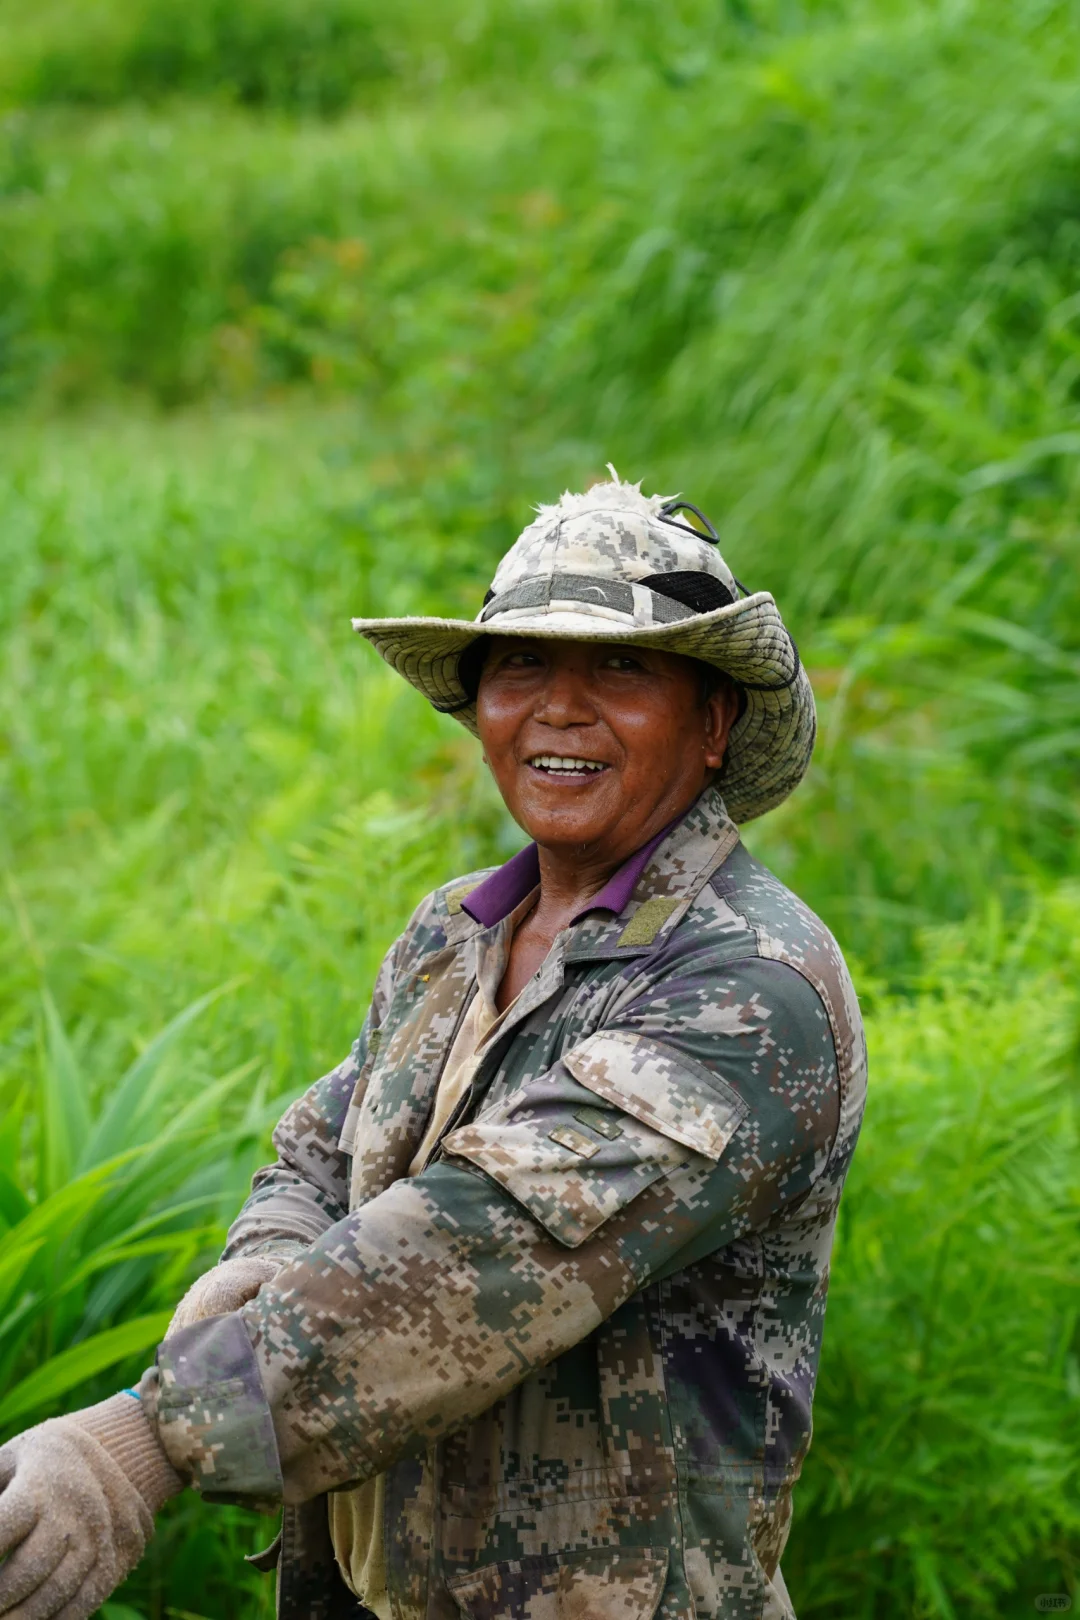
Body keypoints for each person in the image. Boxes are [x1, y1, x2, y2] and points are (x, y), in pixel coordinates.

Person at [0, 473, 867, 1620]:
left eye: (621, 670)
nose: (560, 709)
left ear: (712, 724)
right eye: (521, 667)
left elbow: (473, 1258)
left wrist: (136, 1446)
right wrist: (258, 1273)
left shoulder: (749, 987)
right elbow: (318, 1150)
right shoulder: (456, 930)